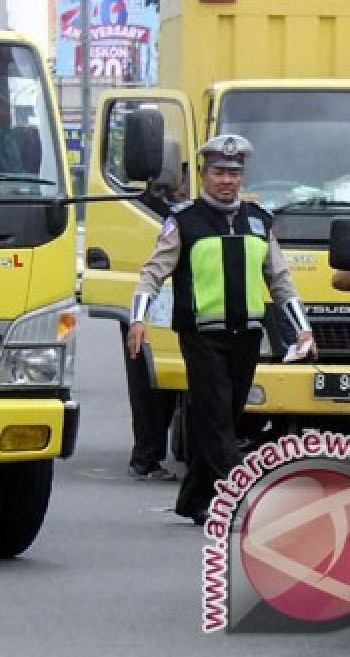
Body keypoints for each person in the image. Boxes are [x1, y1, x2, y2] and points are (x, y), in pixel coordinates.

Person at [126, 136, 316, 524]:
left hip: (246, 336)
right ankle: (234, 498)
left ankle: (195, 501)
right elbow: (152, 274)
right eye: (219, 172)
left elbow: (280, 280)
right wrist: (138, 318)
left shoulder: (259, 221)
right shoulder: (183, 222)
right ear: (203, 174)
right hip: (201, 337)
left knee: (225, 418)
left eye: (234, 173)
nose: (227, 180)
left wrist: (303, 329)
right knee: (214, 420)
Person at [122, 165, 190, 482]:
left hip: (189, 309)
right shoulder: (154, 207)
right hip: (154, 304)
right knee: (152, 382)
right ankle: (147, 456)